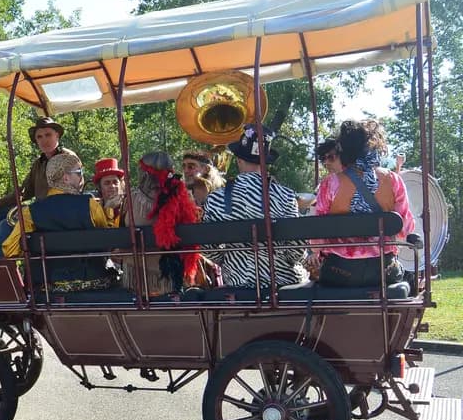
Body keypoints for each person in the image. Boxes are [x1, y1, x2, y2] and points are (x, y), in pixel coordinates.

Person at [307, 120, 414, 287]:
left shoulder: (330, 184)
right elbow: (404, 230)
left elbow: (317, 236)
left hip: (338, 272)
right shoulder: (393, 180)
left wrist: (315, 253)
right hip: (383, 271)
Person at [201, 124, 307, 288]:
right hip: (284, 284)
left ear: (238, 160)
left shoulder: (216, 199)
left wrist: (231, 261)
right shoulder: (286, 196)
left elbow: (208, 249)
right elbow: (296, 252)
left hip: (238, 284)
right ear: (267, 163)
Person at [2, 152, 119, 292]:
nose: (82, 177)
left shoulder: (30, 212)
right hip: (93, 282)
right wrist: (109, 212)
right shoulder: (89, 204)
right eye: (79, 172)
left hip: (46, 288)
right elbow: (108, 240)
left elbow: (10, 250)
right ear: (66, 178)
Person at [0, 116, 76, 257]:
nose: (44, 140)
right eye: (40, 137)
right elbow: (23, 192)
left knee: (6, 225)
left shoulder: (68, 158)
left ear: (57, 135)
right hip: (39, 213)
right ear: (36, 141)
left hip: (59, 216)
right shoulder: (38, 164)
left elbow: (72, 191)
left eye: (48, 135)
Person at [123, 152, 202, 296]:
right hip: (170, 273)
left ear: (144, 173)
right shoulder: (181, 196)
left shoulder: (132, 198)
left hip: (136, 274)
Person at [92, 157, 125, 225]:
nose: (112, 186)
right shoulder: (94, 209)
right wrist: (107, 209)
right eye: (107, 183)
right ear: (99, 187)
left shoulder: (129, 207)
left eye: (115, 182)